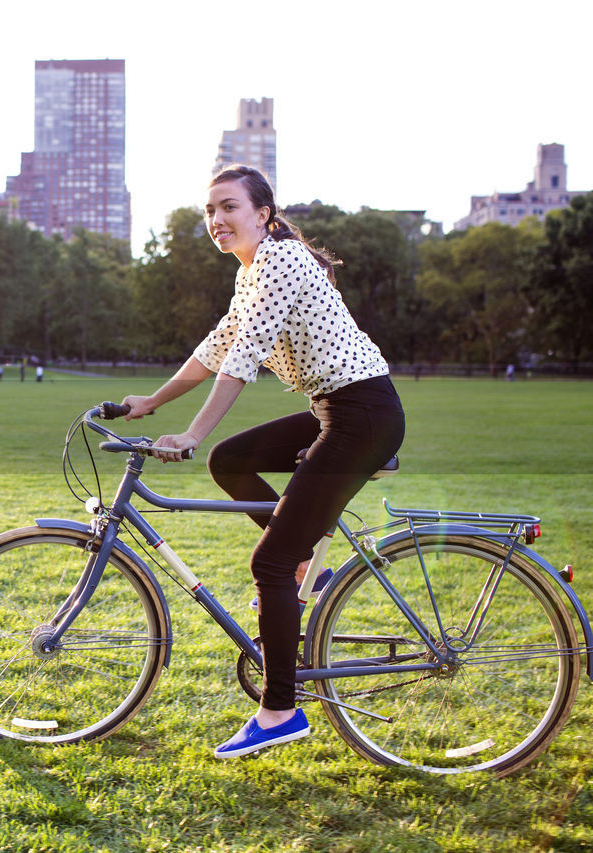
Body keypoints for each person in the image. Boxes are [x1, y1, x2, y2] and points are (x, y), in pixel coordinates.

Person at [120, 165, 405, 760]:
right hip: (335, 411)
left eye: (228, 208)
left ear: (263, 215)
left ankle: (279, 710)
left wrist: (192, 431)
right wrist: (151, 402)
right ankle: (307, 568)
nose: (216, 221)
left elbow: (242, 360)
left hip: (362, 415)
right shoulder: (251, 274)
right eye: (210, 212)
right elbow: (215, 348)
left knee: (268, 561)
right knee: (232, 460)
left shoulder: (282, 261)